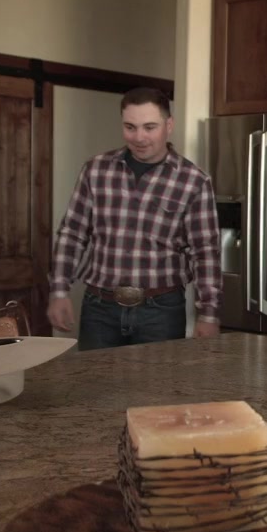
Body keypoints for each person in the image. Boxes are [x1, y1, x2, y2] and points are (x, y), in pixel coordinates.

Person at [47, 87, 221, 350]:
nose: (139, 137)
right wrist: (59, 290)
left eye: (150, 127)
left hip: (161, 312)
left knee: (156, 380)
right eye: (130, 127)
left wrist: (209, 314)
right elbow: (73, 233)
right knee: (94, 377)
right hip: (99, 309)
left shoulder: (194, 181)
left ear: (169, 125)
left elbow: (205, 252)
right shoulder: (96, 170)